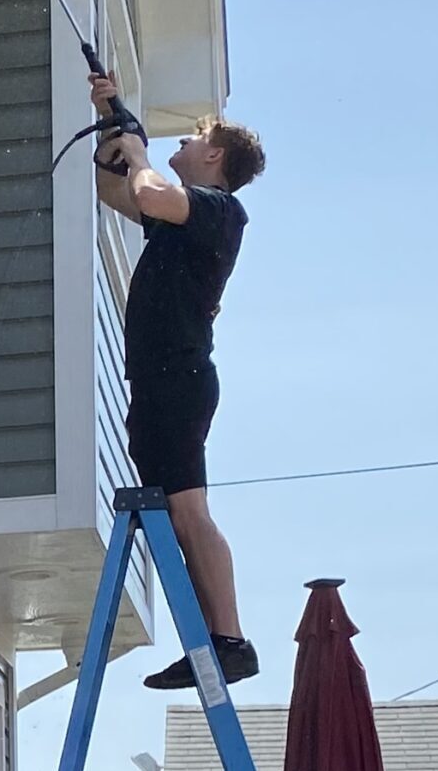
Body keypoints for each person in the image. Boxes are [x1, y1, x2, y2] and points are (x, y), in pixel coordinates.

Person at [89, 71, 267, 690]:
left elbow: (155, 193)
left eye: (194, 139)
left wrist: (137, 156)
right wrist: (115, 131)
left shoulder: (220, 211)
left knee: (190, 514)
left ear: (214, 154)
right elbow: (125, 194)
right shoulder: (177, 219)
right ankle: (212, 640)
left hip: (177, 378)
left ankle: (227, 641)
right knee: (180, 514)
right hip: (162, 380)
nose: (183, 144)